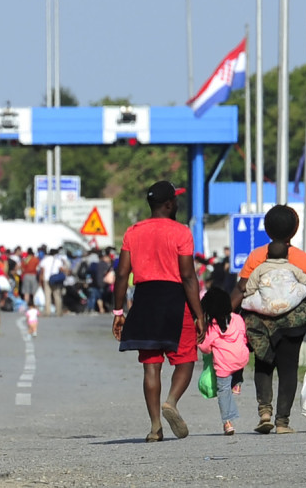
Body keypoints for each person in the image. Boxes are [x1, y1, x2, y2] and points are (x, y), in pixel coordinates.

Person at [112, 181, 205, 443]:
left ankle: (155, 427)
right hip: (175, 299)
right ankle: (172, 402)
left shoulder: (133, 232)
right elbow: (188, 276)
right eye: (175, 200)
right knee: (185, 359)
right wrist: (199, 313)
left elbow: (122, 274)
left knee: (151, 367)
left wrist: (119, 311)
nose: (177, 203)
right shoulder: (181, 232)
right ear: (168, 204)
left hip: (144, 301)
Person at [231, 204, 306, 434]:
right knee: (288, 370)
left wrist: (225, 317)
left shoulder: (257, 256)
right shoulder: (303, 260)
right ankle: (282, 422)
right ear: (295, 230)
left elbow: (241, 289)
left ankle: (264, 411)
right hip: (292, 326)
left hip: (260, 324)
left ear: (266, 229)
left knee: (263, 365)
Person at [198, 287, 248, 436]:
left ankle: (227, 422)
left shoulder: (212, 327)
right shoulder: (238, 319)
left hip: (223, 366)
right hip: (241, 358)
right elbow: (244, 336)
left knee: (223, 391)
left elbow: (205, 348)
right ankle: (238, 383)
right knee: (238, 360)